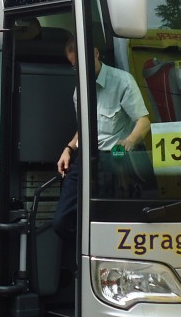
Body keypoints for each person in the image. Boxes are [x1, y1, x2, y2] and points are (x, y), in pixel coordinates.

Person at [53, 37, 151, 262]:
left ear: (96, 54)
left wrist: (128, 143)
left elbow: (143, 122)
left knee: (109, 221)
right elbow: (84, 129)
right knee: (61, 222)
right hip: (87, 159)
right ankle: (88, 259)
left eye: (83, 63)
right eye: (75, 66)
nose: (81, 69)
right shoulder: (80, 90)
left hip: (114, 158)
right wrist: (68, 148)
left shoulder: (122, 81)